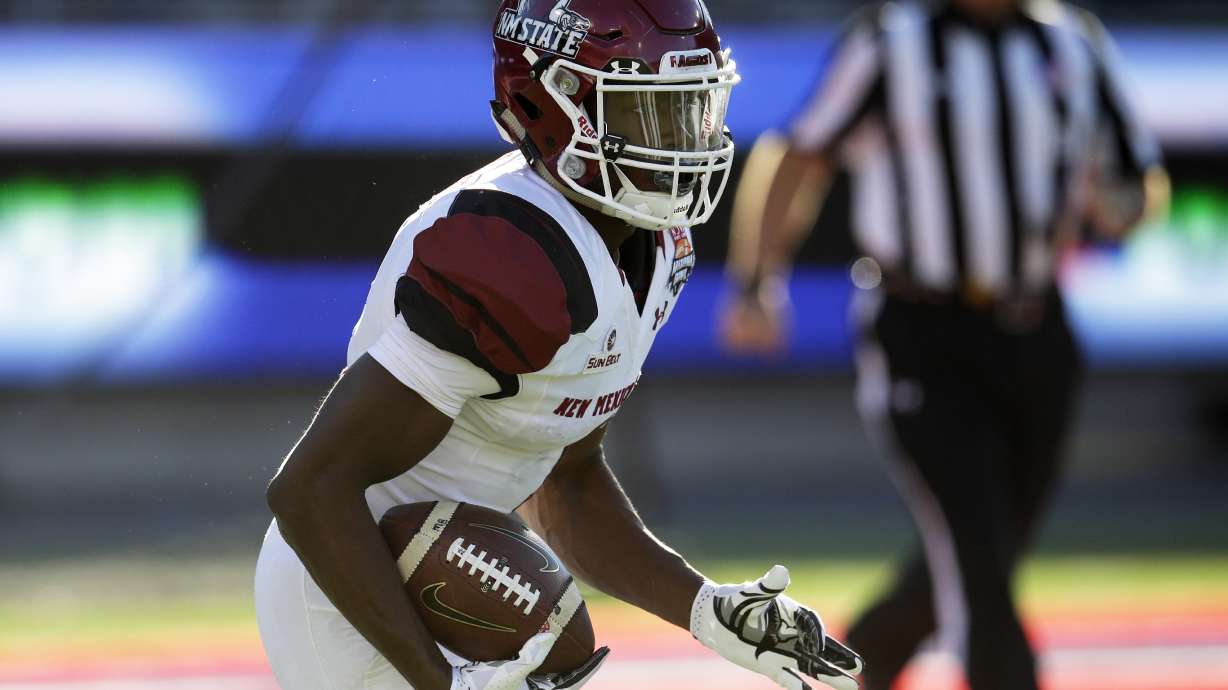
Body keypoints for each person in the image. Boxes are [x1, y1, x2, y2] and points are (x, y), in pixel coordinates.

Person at [254, 2, 864, 690]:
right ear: (556, 101)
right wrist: (440, 683)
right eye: (647, 112)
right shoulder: (506, 255)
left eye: (692, 108)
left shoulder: (659, 247)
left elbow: (565, 482)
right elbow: (310, 488)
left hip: (462, 586)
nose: (682, 141)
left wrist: (704, 608)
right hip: (355, 600)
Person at [719, 1, 1168, 690]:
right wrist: (755, 282)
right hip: (920, 330)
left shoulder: (1072, 44)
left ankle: (860, 660)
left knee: (984, 545)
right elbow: (799, 153)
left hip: (1039, 330)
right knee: (978, 563)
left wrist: (1122, 206)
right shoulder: (890, 41)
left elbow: (1137, 180)